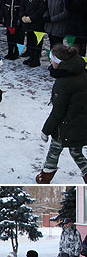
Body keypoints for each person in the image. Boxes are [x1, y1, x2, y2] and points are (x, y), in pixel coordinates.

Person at [37, 43, 87, 183]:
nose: (50, 61)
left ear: (59, 62)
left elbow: (58, 111)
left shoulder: (64, 82)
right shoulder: (80, 71)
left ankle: (44, 177)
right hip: (80, 121)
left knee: (54, 149)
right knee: (76, 152)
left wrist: (46, 130)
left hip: (66, 125)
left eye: (52, 59)